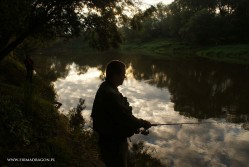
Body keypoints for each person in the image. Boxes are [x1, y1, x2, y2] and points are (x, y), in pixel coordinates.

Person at [91, 60, 151, 167]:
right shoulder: (111, 95)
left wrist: (134, 128)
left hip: (109, 140)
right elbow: (126, 118)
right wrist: (143, 123)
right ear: (116, 75)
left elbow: (116, 118)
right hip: (113, 144)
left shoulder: (106, 87)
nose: (124, 77)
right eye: (123, 74)